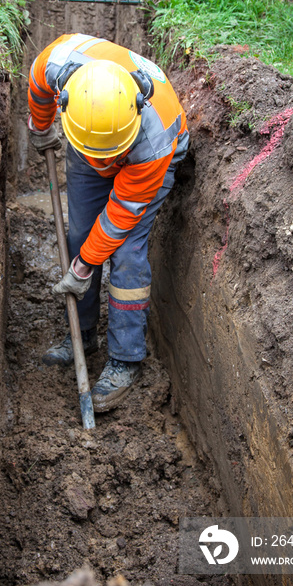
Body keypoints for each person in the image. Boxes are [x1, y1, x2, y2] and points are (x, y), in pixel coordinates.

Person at [28, 33, 189, 413]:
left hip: (142, 156)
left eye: (108, 160)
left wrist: (83, 266)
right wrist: (41, 127)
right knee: (80, 234)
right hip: (92, 135)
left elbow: (118, 219)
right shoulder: (56, 65)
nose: (105, 169)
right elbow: (37, 87)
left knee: (127, 252)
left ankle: (125, 358)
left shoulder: (154, 142)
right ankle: (80, 335)